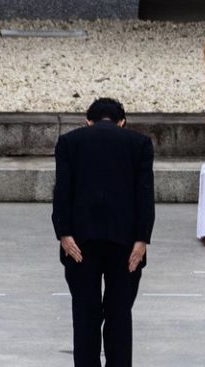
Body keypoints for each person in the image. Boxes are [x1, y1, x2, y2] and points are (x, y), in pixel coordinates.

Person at [52, 97, 156, 367]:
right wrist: (142, 239)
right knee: (119, 314)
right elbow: (145, 195)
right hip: (125, 243)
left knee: (85, 314)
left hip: (80, 242)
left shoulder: (69, 142)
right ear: (122, 122)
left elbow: (62, 192)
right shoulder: (139, 144)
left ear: (88, 121)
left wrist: (64, 233)